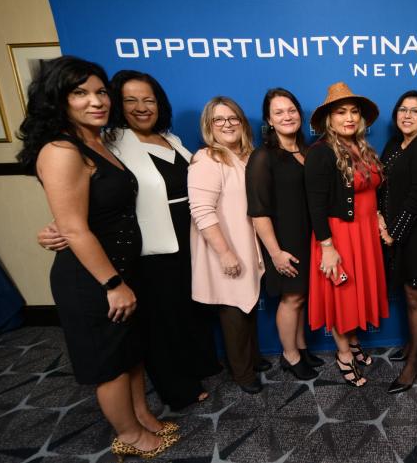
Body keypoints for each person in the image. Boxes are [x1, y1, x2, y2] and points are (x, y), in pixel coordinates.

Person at [17, 56, 180, 460]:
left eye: (100, 92)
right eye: (80, 93)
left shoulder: (99, 142)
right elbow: (74, 228)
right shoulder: (60, 148)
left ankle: (143, 416)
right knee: (110, 362)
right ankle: (130, 435)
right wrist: (112, 284)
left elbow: (94, 210)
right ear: (59, 100)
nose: (96, 101)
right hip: (94, 278)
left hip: (123, 267)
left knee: (131, 353)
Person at [39, 70, 222, 410]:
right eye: (131, 100)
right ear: (119, 105)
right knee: (158, 324)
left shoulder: (172, 140)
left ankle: (196, 368)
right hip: (151, 249)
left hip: (189, 242)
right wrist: (56, 226)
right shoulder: (109, 143)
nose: (142, 107)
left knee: (185, 313)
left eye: (149, 100)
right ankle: (176, 388)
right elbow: (97, 197)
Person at [305, 81, 388, 387]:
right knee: (342, 294)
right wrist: (327, 247)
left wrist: (377, 216)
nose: (349, 118)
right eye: (341, 112)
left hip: (364, 234)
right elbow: (315, 205)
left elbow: (370, 191)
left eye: (354, 112)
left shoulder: (362, 148)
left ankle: (353, 342)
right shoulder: (321, 153)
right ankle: (343, 354)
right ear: (330, 119)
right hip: (339, 236)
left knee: (356, 293)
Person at [189, 96, 266, 394]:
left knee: (247, 305)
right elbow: (202, 211)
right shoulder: (207, 159)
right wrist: (224, 252)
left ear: (242, 123)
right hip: (225, 245)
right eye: (219, 120)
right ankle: (243, 374)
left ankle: (253, 358)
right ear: (209, 126)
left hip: (247, 242)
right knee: (233, 310)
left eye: (233, 118)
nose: (227, 124)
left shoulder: (249, 156)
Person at [246, 88, 323, 381]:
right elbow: (258, 211)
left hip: (307, 236)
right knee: (291, 299)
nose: (287, 116)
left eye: (291, 110)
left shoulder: (307, 150)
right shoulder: (263, 157)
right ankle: (290, 356)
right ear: (269, 119)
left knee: (301, 297)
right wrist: (275, 252)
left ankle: (301, 347)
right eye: (279, 112)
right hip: (283, 240)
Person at [378, 90, 417, 394]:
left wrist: (393, 233)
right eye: (403, 109)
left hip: (414, 235)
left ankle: (415, 359)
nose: (407, 115)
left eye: (415, 111)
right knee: (405, 292)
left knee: (416, 297)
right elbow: (380, 183)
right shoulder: (393, 144)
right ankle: (413, 343)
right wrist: (378, 217)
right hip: (392, 233)